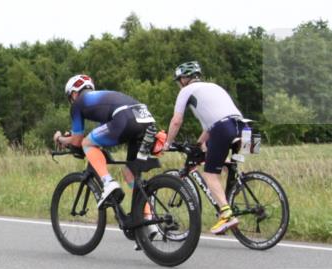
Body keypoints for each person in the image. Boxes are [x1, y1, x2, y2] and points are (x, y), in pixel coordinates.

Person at [53, 75, 161, 210]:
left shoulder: (78, 103)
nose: (71, 101)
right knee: (130, 174)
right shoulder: (104, 98)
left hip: (125, 119)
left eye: (70, 97)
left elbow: (78, 141)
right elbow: (100, 133)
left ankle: (108, 183)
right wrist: (76, 138)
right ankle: (148, 222)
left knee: (87, 143)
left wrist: (60, 138)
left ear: (74, 93)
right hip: (147, 122)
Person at [163, 61, 245, 235]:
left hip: (223, 128)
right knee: (220, 160)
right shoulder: (213, 87)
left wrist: (167, 143)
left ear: (185, 78)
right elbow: (209, 127)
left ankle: (226, 214)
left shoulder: (186, 91)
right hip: (244, 127)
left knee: (209, 173)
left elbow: (176, 121)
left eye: (179, 79)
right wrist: (199, 144)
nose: (179, 83)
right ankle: (232, 194)